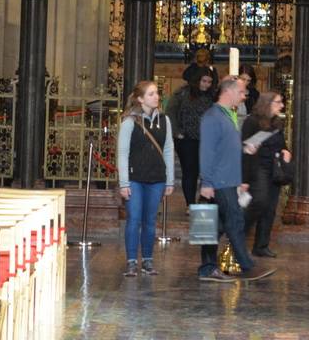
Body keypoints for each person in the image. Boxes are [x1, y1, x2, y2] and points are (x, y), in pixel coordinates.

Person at [197, 76, 273, 282]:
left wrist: (244, 148)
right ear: (228, 91)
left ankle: (207, 268)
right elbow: (207, 151)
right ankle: (248, 267)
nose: (244, 96)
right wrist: (207, 182)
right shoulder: (212, 117)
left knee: (216, 227)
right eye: (241, 92)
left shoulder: (226, 115)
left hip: (228, 179)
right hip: (219, 180)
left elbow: (225, 147)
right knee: (235, 221)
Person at [117, 80, 174, 277]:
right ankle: (131, 261)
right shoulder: (129, 122)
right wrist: (124, 183)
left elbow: (168, 150)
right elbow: (123, 153)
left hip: (156, 178)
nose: (156, 97)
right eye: (151, 94)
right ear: (140, 99)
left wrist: (169, 180)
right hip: (135, 178)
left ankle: (148, 260)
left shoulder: (164, 121)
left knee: (150, 220)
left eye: (157, 93)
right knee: (134, 219)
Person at [241, 89, 291, 257]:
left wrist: (286, 151)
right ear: (267, 103)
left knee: (270, 208)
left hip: (274, 169)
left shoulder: (276, 123)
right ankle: (239, 233)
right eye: (278, 102)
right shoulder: (252, 122)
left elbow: (281, 144)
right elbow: (245, 149)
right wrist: (244, 178)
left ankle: (261, 246)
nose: (282, 105)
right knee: (260, 202)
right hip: (258, 168)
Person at [166, 68, 214, 207]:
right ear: (197, 80)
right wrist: (177, 132)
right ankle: (190, 203)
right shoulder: (182, 93)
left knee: (206, 172)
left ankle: (204, 200)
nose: (206, 85)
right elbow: (170, 112)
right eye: (204, 81)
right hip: (186, 140)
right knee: (190, 172)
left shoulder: (212, 95)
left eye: (209, 82)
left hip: (206, 140)